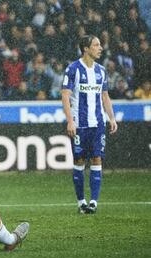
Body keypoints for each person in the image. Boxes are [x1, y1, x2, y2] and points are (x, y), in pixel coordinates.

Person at [61, 35, 118, 214]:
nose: (100, 48)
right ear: (86, 48)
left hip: (97, 123)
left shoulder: (101, 71)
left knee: (96, 159)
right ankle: (81, 202)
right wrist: (70, 121)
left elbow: (105, 96)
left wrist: (112, 118)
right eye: (96, 45)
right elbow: (65, 95)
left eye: (100, 45)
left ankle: (93, 202)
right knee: (79, 160)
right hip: (79, 124)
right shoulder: (73, 69)